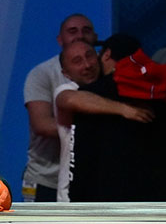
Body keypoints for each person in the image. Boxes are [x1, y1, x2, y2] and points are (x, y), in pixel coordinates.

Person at [53, 40, 155, 202]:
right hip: (73, 197)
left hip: (108, 191)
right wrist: (124, 110)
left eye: (89, 56)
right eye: (77, 61)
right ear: (66, 73)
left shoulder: (112, 87)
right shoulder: (67, 89)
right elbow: (70, 100)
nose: (87, 65)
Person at [21, 13, 97, 202]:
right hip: (45, 179)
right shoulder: (41, 74)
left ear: (95, 37)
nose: (80, 36)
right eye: (72, 31)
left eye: (86, 31)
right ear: (60, 39)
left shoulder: (101, 70)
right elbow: (41, 125)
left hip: (87, 178)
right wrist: (93, 129)